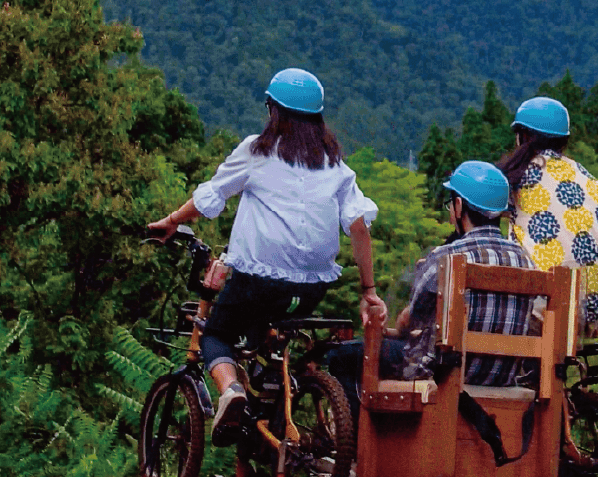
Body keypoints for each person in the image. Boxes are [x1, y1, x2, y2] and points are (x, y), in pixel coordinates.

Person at [148, 67, 384, 434]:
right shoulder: (335, 165)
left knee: (217, 334)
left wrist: (173, 221)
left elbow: (213, 194)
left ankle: (231, 391)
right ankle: (268, 407)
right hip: (310, 288)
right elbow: (358, 225)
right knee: (267, 336)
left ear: (273, 111)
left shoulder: (255, 152)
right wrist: (368, 291)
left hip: (258, 282)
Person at [329, 160, 536, 415]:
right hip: (503, 375)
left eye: (451, 204)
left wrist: (395, 325)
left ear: (459, 206)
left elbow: (411, 319)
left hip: (447, 373)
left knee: (343, 356)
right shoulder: (526, 260)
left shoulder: (446, 257)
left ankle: (359, 447)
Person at [497, 96, 598, 336]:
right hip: (587, 313)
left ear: (524, 136)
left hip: (537, 312)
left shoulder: (516, 177)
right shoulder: (591, 181)